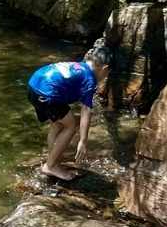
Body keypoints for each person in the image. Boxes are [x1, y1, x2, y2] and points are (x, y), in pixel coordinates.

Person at [26, 46, 112, 181]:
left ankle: (53, 158)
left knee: (57, 125)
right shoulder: (89, 79)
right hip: (47, 93)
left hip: (33, 85)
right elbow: (86, 111)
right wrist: (83, 141)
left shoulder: (79, 66)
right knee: (70, 125)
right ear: (104, 68)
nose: (106, 76)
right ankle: (51, 166)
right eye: (107, 73)